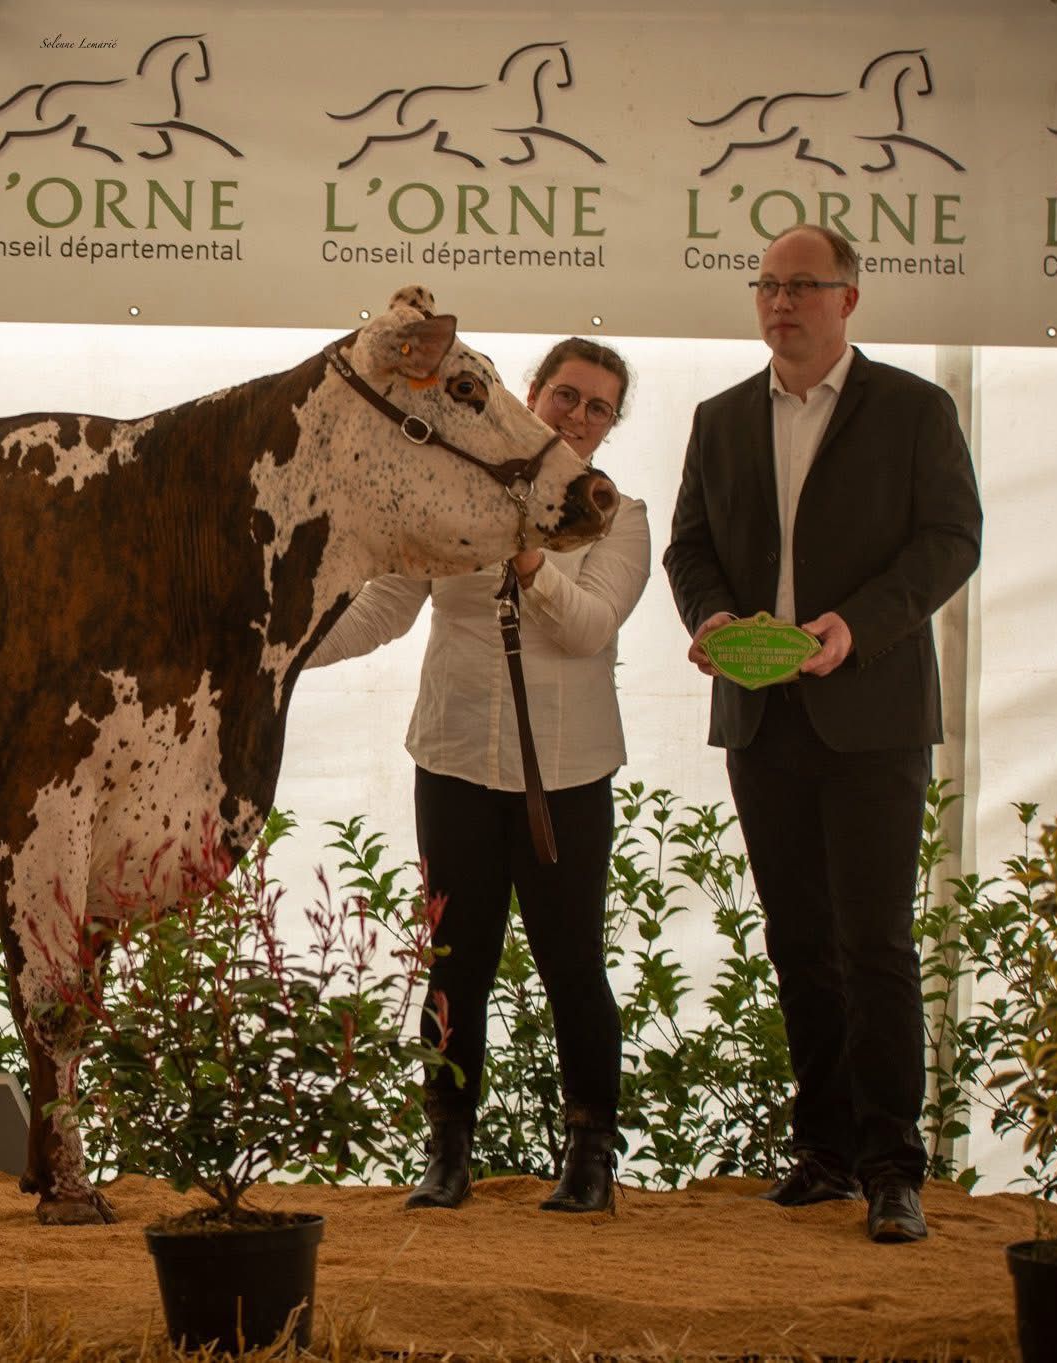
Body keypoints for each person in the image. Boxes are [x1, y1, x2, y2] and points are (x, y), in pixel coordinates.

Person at [663, 223, 982, 1244]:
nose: (778, 303)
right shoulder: (717, 419)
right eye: (765, 285)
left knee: (873, 941)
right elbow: (688, 549)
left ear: (849, 298)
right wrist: (708, 620)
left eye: (800, 285)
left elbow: (950, 538)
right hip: (761, 714)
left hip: (872, 711)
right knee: (797, 941)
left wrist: (861, 626)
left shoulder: (912, 410)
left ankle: (893, 1163)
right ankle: (826, 1152)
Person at [310, 337, 650, 1214]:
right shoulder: (453, 504)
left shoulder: (624, 516)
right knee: (457, 965)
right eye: (566, 395)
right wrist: (292, 648)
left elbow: (588, 630)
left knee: (573, 962)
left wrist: (530, 562)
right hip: (455, 761)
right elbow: (386, 605)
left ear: (611, 427)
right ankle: (448, 1151)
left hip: (567, 778)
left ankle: (588, 1157)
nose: (577, 415)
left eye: (597, 407)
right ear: (531, 396)